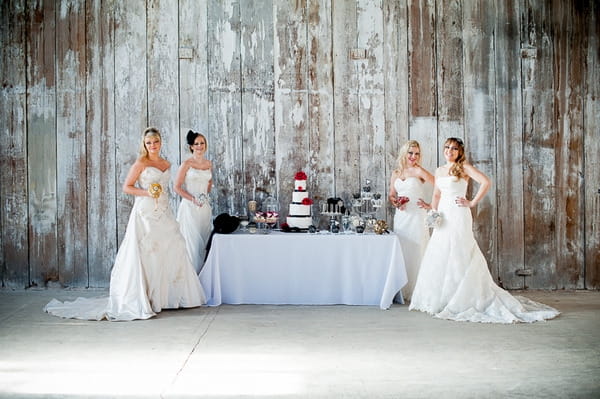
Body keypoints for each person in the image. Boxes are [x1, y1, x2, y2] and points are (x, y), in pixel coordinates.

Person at [44, 127, 206, 321]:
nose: (152, 145)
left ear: (160, 142)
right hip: (145, 211)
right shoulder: (141, 163)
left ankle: (166, 298)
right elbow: (127, 187)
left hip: (164, 210)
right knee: (148, 252)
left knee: (170, 248)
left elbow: (168, 188)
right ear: (144, 145)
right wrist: (147, 192)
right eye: (149, 143)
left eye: (155, 142)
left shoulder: (166, 163)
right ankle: (146, 297)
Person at [409, 137, 559, 323]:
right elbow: (437, 194)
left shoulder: (463, 167)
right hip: (443, 215)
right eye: (447, 147)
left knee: (459, 250)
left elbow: (486, 182)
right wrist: (432, 212)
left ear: (460, 151)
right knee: (440, 250)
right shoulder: (439, 170)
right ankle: (442, 298)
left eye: (454, 148)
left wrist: (471, 202)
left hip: (458, 214)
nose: (450, 151)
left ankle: (463, 298)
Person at [388, 140, 434, 302]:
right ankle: (401, 288)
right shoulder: (396, 173)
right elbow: (392, 194)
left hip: (417, 215)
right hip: (402, 216)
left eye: (417, 153)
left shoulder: (419, 171)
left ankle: (418, 289)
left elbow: (441, 185)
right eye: (410, 153)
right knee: (402, 249)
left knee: (418, 249)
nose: (413, 156)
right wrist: (395, 202)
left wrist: (430, 205)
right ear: (404, 153)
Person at [174, 130, 213, 273]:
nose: (199, 146)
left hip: (204, 208)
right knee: (191, 244)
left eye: (202, 143)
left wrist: (204, 197)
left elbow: (209, 184)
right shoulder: (186, 164)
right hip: (190, 208)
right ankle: (191, 280)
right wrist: (193, 199)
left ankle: (202, 278)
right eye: (196, 144)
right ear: (191, 146)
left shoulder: (209, 164)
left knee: (203, 242)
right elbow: (176, 187)